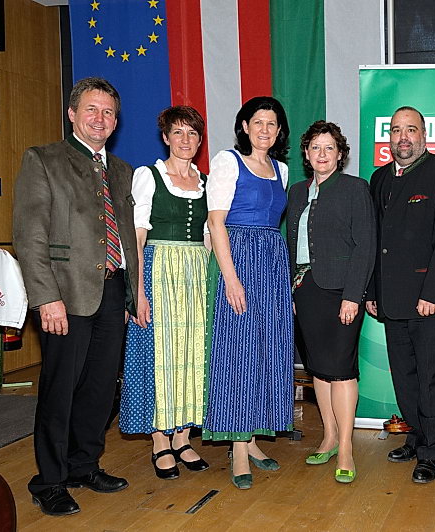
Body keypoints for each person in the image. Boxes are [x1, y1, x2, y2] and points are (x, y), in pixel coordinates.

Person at [13, 77, 138, 516]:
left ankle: (84, 466)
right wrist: (46, 297)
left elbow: (127, 237)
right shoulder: (43, 159)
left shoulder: (121, 171)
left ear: (116, 121)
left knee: (100, 389)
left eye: (108, 112)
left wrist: (131, 295)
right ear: (72, 114)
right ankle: (49, 480)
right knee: (60, 391)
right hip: (64, 296)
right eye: (91, 109)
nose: (100, 119)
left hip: (112, 292)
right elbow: (29, 235)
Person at [366, 106, 435, 484]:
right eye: (396, 130)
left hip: (431, 301)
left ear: (424, 135)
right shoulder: (379, 178)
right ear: (389, 138)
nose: (403, 137)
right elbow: (375, 241)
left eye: (411, 130)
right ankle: (417, 436)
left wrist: (434, 293)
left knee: (432, 379)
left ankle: (432, 452)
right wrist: (372, 291)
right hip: (391, 299)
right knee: (406, 379)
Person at [203, 96, 294, 490]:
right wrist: (231, 278)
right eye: (258, 122)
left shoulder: (281, 169)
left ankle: (252, 438)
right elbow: (215, 222)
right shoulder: (228, 162)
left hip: (271, 263)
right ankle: (237, 449)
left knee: (267, 350)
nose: (265, 130)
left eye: (272, 124)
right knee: (239, 352)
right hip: (238, 259)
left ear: (279, 131)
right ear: (244, 126)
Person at [119, 106, 210, 480]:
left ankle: (183, 436)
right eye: (178, 132)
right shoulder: (149, 176)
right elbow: (136, 239)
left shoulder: (205, 181)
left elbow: (208, 238)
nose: (185, 140)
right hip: (159, 272)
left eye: (192, 133)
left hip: (196, 275)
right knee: (158, 354)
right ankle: (160, 439)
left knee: (192, 353)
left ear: (199, 140)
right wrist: (137, 292)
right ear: (165, 137)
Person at [286, 121, 376, 484]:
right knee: (318, 368)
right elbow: (291, 243)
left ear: (340, 154)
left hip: (342, 292)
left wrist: (354, 295)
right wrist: (291, 289)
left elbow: (365, 245)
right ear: (306, 155)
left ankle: (346, 449)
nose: (322, 154)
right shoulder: (296, 192)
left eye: (329, 148)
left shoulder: (355, 188)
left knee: (341, 369)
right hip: (305, 291)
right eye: (315, 148)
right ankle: (329, 436)